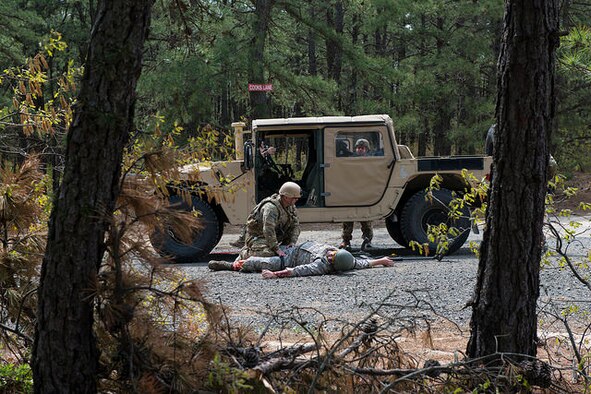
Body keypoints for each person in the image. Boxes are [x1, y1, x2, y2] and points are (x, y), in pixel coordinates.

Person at [208, 240, 396, 278]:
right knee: (262, 246)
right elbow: (363, 263)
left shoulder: (321, 266)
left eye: (331, 257)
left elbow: (296, 271)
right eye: (333, 252)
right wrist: (382, 260)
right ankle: (241, 254)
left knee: (259, 262)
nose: (329, 254)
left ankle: (229, 266)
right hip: (291, 247)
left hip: (288, 261)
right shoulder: (346, 258)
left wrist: (275, 274)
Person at [230, 140, 277, 248]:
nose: (263, 147)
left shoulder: (261, 155)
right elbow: (256, 168)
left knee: (254, 213)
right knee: (252, 212)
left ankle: (245, 238)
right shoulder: (257, 155)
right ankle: (244, 238)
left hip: (265, 187)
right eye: (262, 146)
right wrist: (264, 154)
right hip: (260, 186)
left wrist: (265, 154)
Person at [237, 181, 301, 259]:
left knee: (289, 250)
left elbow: (295, 225)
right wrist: (276, 249)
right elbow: (268, 229)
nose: (297, 200)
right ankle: (245, 253)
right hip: (259, 237)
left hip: (274, 236)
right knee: (268, 253)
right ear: (285, 197)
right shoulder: (271, 208)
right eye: (294, 198)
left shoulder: (290, 207)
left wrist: (292, 242)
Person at [340, 138, 374, 250]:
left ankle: (368, 240)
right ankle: (346, 241)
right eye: (358, 148)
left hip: (364, 193)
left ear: (366, 150)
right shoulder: (351, 160)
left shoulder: (371, 161)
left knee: (366, 219)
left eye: (362, 148)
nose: (360, 150)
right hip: (351, 192)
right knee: (348, 219)